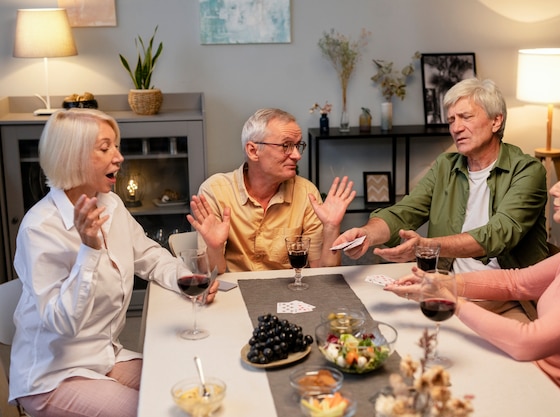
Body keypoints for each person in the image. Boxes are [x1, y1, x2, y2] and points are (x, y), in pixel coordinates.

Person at [385, 134, 560, 417]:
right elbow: (518, 282)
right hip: (533, 375)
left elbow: (527, 341)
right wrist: (444, 282)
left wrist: (454, 302)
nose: (554, 189)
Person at [9, 109, 217, 417]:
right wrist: (89, 250)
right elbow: (62, 324)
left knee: (190, 386)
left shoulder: (111, 203)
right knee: (158, 410)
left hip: (106, 356)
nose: (119, 157)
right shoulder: (39, 228)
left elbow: (148, 254)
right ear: (72, 155)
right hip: (55, 374)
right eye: (105, 148)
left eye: (116, 146)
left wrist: (186, 279)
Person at [333, 78, 548, 321]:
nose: (456, 128)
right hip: (447, 289)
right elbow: (405, 212)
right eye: (451, 120)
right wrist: (366, 234)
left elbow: (498, 234)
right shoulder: (445, 165)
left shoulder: (528, 171)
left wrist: (427, 246)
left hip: (508, 299)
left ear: (496, 121)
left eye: (466, 117)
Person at [188, 108, 356, 274]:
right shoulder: (215, 191)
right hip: (235, 293)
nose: (297, 155)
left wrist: (332, 227)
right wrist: (215, 248)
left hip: (287, 293)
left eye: (298, 146)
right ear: (253, 151)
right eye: (286, 146)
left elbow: (323, 274)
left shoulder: (306, 193)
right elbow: (211, 275)